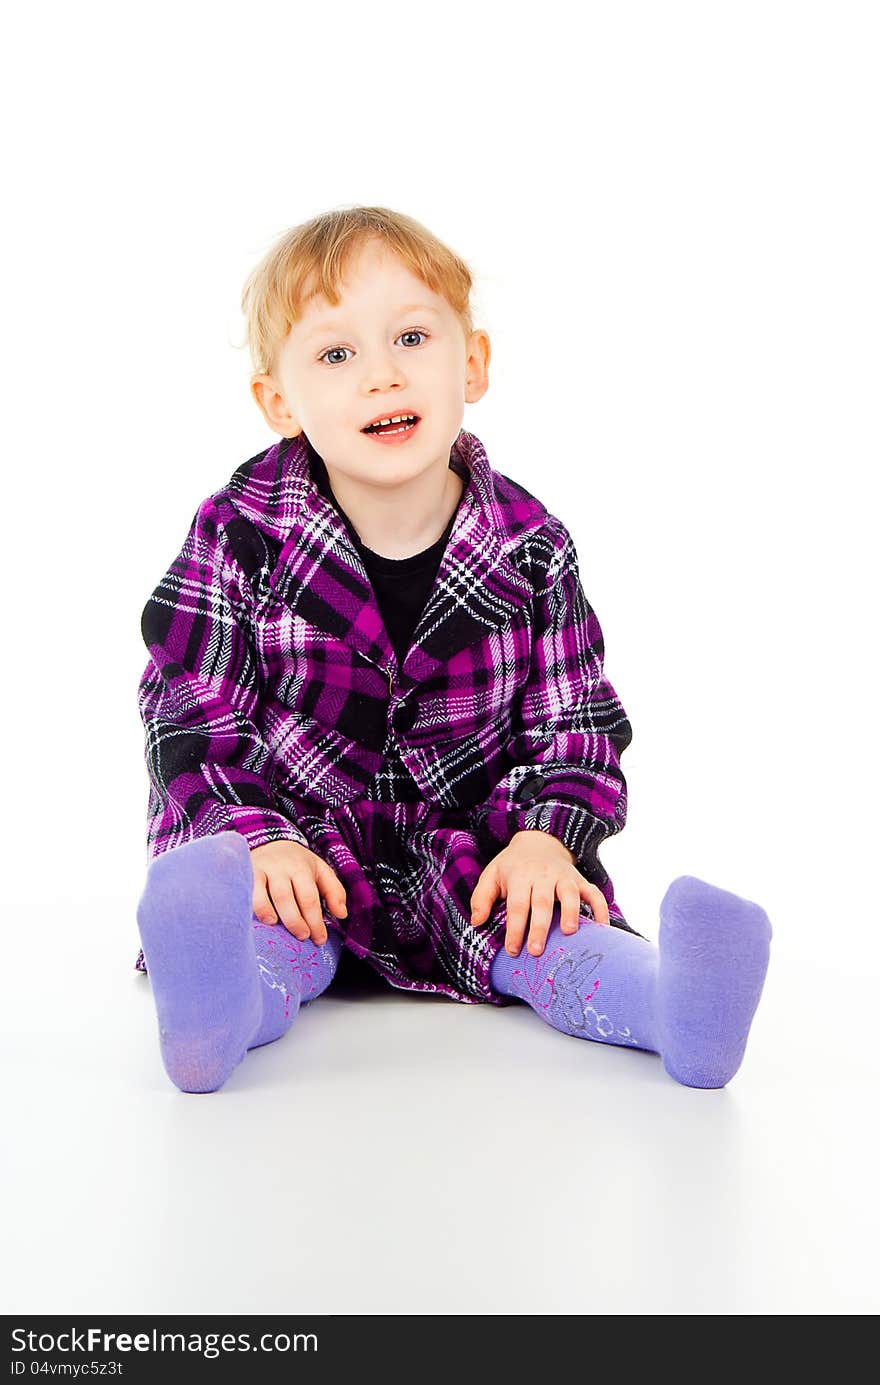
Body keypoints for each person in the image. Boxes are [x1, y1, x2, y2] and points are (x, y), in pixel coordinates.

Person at [134, 205, 772, 1095]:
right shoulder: (240, 534)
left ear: (470, 363)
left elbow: (576, 721)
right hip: (305, 852)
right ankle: (220, 1008)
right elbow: (191, 708)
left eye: (410, 337)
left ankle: (676, 1009)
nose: (381, 374)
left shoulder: (529, 545)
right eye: (335, 355)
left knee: (548, 929)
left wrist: (548, 840)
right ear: (278, 403)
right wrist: (253, 837)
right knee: (271, 925)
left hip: (473, 856)